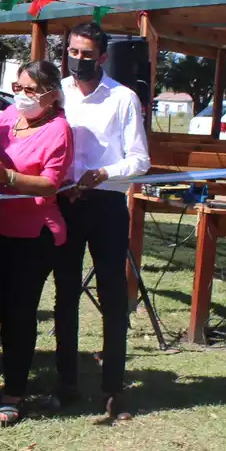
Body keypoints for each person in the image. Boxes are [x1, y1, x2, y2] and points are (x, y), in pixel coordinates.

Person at [52, 23, 150, 419]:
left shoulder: (123, 98)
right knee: (65, 297)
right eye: (73, 52)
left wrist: (102, 174)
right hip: (66, 203)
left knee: (112, 298)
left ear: (103, 57)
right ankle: (66, 383)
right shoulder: (57, 92)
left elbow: (140, 160)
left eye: (87, 55)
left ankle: (113, 389)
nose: (79, 60)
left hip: (107, 204)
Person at [0, 61, 73, 424]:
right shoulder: (11, 114)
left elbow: (50, 184)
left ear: (52, 94)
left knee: (17, 315)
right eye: (18, 87)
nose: (21, 95)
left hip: (32, 236)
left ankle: (12, 393)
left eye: (30, 90)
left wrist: (9, 176)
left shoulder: (59, 130)